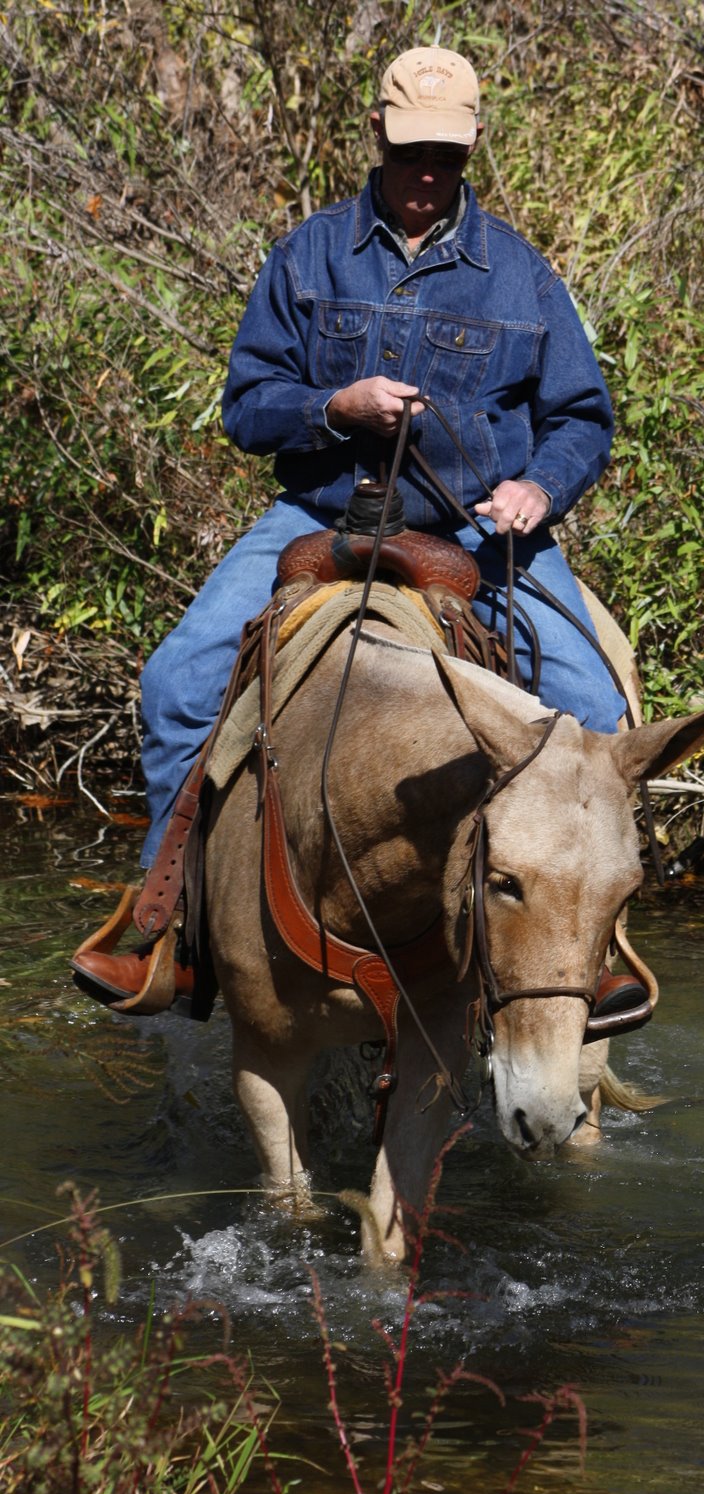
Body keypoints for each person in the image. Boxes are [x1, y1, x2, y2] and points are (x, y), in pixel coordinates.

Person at [73, 45, 645, 1025]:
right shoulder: (306, 256)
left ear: (473, 146)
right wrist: (332, 406)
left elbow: (581, 419)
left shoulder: (521, 275)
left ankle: (590, 954)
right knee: (176, 685)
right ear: (377, 134)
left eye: (447, 155)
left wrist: (537, 490)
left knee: (594, 714)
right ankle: (172, 933)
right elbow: (246, 406)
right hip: (320, 513)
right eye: (412, 150)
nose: (428, 172)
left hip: (478, 529)